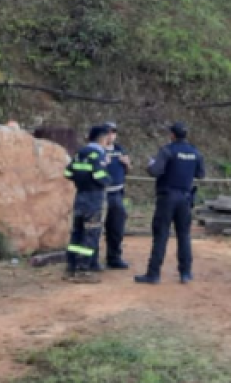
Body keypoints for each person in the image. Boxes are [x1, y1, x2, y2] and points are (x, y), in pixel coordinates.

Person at [136, 122, 206, 285]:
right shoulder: (195, 152)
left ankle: (153, 274)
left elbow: (155, 171)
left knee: (161, 235)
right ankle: (185, 273)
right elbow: (201, 174)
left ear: (172, 135)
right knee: (184, 235)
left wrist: (150, 164)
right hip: (185, 198)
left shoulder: (167, 150)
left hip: (167, 197)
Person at [63, 126, 111, 284]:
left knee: (77, 232)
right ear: (102, 138)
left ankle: (71, 267)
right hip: (93, 198)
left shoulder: (80, 153)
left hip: (80, 196)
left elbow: (67, 173)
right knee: (90, 233)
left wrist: (81, 180)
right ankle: (83, 270)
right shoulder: (97, 155)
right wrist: (108, 179)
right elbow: (100, 176)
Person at [101, 122, 130, 270]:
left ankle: (114, 258)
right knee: (94, 228)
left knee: (116, 227)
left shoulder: (120, 150)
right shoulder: (97, 150)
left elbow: (127, 169)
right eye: (108, 132)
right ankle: (90, 260)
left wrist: (127, 164)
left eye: (113, 132)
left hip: (117, 193)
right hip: (100, 194)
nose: (111, 135)